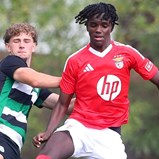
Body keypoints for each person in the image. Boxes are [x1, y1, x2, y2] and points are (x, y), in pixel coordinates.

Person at [33, 2, 159, 159]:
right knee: (47, 155)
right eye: (93, 25)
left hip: (109, 135)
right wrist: (48, 132)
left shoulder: (127, 53)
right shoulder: (75, 60)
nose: (98, 30)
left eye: (104, 25)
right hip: (78, 127)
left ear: (111, 27)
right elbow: (62, 103)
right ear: (87, 27)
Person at [0, 23, 74, 159]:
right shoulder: (9, 63)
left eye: (26, 41)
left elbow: (66, 105)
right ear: (8, 46)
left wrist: (95, 91)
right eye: (16, 41)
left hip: (13, 143)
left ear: (34, 46)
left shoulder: (37, 89)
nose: (21, 45)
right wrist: (75, 80)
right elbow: (34, 79)